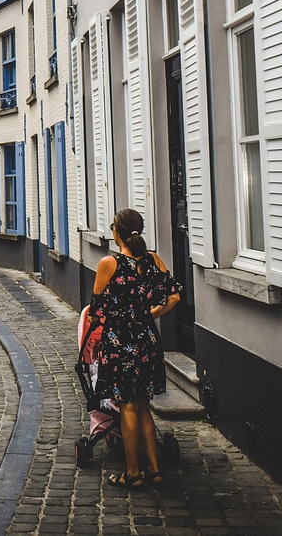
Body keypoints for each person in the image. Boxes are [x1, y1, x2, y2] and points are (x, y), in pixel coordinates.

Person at [91, 208, 181, 490]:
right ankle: (154, 470)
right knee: (143, 405)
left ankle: (132, 473)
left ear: (116, 232)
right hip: (147, 340)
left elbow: (95, 311)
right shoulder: (153, 260)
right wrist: (152, 313)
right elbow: (174, 296)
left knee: (128, 407)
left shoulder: (110, 263)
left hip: (121, 342)